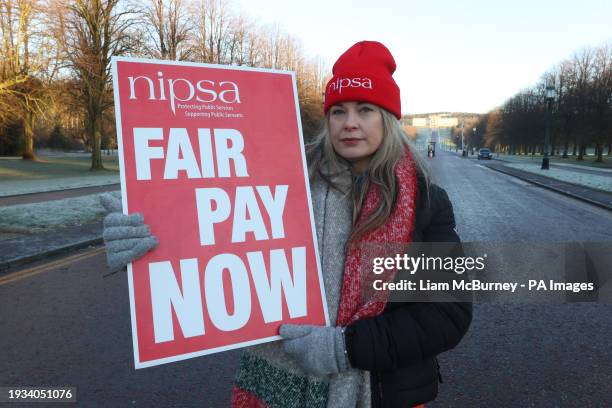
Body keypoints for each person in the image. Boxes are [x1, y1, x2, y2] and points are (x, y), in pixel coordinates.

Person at [101, 40, 472, 408]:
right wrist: (147, 235)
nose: (350, 123)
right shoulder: (276, 180)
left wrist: (345, 348)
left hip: (382, 394)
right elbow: (209, 234)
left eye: (365, 109)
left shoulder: (424, 200)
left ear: (388, 119)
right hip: (275, 388)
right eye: (338, 111)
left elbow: (447, 313)